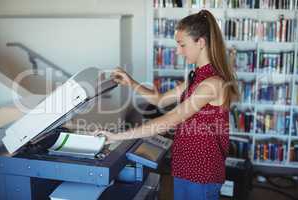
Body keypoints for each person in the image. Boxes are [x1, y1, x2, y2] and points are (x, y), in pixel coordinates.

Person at [98, 9, 239, 200]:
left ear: (201, 43)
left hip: (202, 173)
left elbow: (169, 120)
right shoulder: (196, 77)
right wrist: (131, 82)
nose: (178, 51)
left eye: (182, 45)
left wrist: (118, 137)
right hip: (185, 167)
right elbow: (161, 100)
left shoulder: (212, 84)